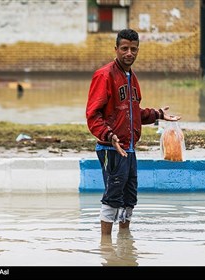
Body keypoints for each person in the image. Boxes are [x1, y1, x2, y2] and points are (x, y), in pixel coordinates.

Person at [86, 28, 180, 236]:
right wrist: (110, 136)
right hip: (111, 148)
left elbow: (132, 112)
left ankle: (125, 241)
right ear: (116, 49)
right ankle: (106, 247)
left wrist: (157, 114)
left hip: (129, 148)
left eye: (133, 49)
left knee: (129, 199)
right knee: (113, 197)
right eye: (125, 48)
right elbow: (93, 116)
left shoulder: (131, 77)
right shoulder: (104, 75)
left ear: (138, 50)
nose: (129, 53)